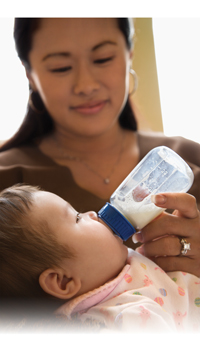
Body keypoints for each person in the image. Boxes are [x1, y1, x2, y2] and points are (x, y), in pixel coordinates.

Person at [0, 18, 200, 279]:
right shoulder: (8, 183)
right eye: (61, 67)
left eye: (103, 58)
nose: (86, 85)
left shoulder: (190, 159)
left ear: (129, 55)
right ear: (30, 75)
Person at [0, 184, 199, 332]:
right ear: (63, 281)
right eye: (77, 217)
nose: (93, 214)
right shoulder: (123, 320)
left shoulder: (112, 269)